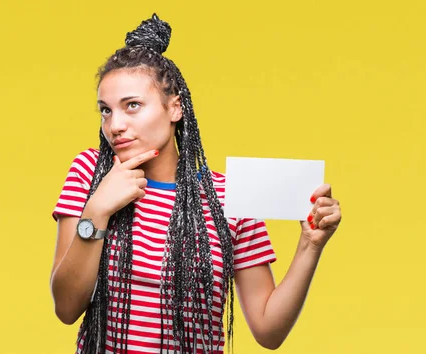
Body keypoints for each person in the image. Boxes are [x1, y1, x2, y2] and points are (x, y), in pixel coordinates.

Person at [50, 14, 342, 354]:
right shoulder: (90, 174)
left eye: (132, 106)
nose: (115, 125)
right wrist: (98, 210)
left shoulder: (228, 196)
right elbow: (66, 308)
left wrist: (310, 244)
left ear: (175, 107)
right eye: (106, 110)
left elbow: (268, 330)